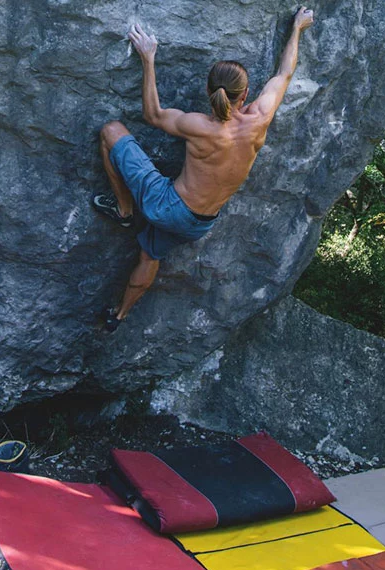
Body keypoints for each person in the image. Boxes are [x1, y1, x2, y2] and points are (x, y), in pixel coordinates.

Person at [94, 7, 315, 332]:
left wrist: (148, 59)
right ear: (246, 94)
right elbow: (284, 74)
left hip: (166, 205)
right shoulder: (260, 120)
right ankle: (119, 315)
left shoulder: (200, 126)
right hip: (198, 225)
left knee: (111, 131)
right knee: (148, 256)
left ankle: (125, 209)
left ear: (210, 92)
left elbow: (153, 115)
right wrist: (297, 28)